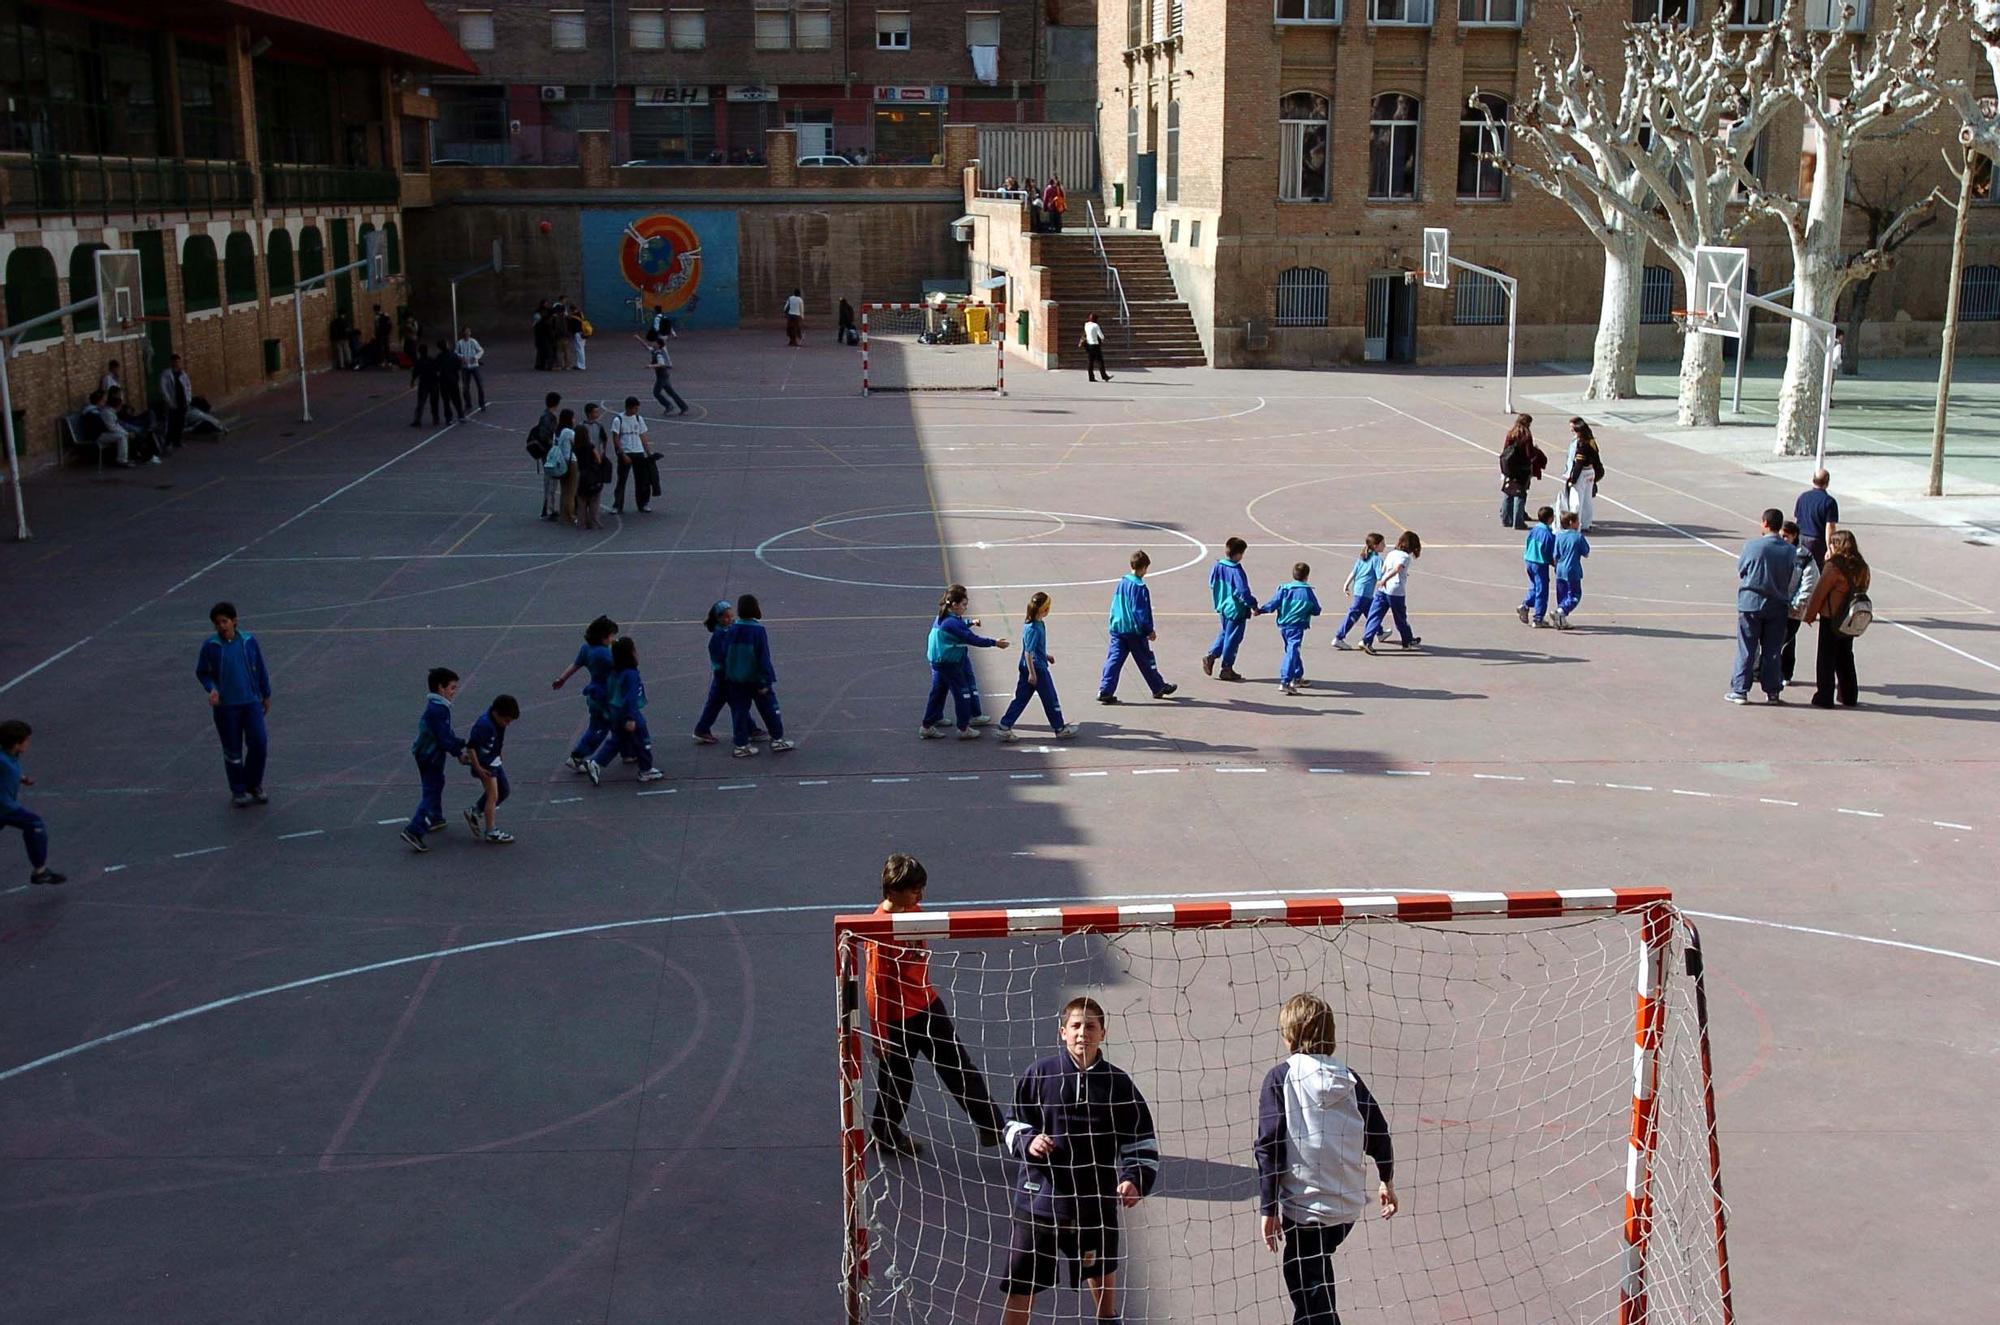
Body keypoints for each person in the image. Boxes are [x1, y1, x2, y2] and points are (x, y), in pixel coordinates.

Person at [998, 996, 1157, 1325]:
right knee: (1021, 1281)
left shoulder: (1118, 1085)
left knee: (1100, 1270)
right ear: (1062, 1032)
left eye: (1090, 1026)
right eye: (1075, 1026)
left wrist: (1134, 1178)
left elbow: (1140, 1139)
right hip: (1039, 1203)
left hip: (1094, 1204)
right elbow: (1012, 1123)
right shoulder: (1040, 1074)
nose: (1083, 1032)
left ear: (1103, 1032)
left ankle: (1107, 1318)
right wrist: (1029, 1141)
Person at [1252, 993, 1398, 1325]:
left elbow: (1269, 1145)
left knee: (1307, 1284)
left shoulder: (1281, 1078)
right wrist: (1385, 1180)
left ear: (1289, 1037)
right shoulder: (1349, 1078)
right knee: (1315, 1270)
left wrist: (1268, 1207)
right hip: (1345, 1208)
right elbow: (1378, 1131)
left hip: (1303, 1207)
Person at [865, 853, 1008, 1155]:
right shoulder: (880, 931)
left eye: (921, 888)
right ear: (892, 891)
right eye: (914, 889)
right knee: (898, 1084)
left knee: (958, 1067)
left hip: (928, 1005)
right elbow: (874, 987)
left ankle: (994, 1126)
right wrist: (879, 1032)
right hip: (898, 1020)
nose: (920, 895)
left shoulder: (915, 911)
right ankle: (884, 1130)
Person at [194, 601, 273, 808]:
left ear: (234, 621)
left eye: (225, 621)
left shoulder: (248, 641)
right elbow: (202, 672)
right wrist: (211, 689)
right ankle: (238, 789)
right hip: (227, 708)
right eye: (217, 623)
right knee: (233, 750)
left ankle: (253, 783)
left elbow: (261, 667)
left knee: (259, 743)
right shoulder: (211, 646)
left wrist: (265, 694)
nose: (222, 626)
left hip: (251, 702)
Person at [921, 586, 1010, 739]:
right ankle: (963, 728)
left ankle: (929, 723)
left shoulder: (944, 617)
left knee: (938, 692)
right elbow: (971, 638)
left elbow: (960, 627)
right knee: (963, 693)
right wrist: (994, 643)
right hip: (949, 663)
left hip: (938, 661)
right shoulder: (952, 623)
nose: (965, 607)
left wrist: (970, 622)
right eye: (963, 604)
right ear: (954, 605)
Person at [1728, 508, 1795, 706]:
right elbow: (1791, 574)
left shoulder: (1752, 545)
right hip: (1777, 604)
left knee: (1747, 647)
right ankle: (1772, 691)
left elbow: (1742, 569)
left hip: (1751, 602)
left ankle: (1740, 690)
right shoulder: (1789, 550)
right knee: (1772, 650)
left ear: (1765, 523)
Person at [401, 667, 470, 852]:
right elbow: (444, 737)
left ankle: (436, 817)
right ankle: (415, 830)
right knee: (432, 790)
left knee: (435, 784)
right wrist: (460, 749)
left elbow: (445, 734)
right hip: (431, 755)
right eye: (452, 688)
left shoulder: (437, 707)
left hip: (425, 753)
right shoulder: (439, 710)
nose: (454, 692)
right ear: (441, 688)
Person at [1803, 529, 1871, 709]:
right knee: (1845, 656)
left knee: (1826, 658)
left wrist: (1809, 615)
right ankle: (1849, 695)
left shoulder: (1834, 566)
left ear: (1836, 546)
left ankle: (1824, 696)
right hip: (1849, 617)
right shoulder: (1861, 565)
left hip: (1831, 617)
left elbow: (1820, 591)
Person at [997, 592, 1078, 741]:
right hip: (1036, 668)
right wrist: (1032, 674)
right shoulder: (1034, 628)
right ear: (1045, 610)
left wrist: (1045, 655)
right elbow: (1028, 652)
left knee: (1021, 698)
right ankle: (1059, 728)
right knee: (1050, 698)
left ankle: (1004, 726)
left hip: (1030, 665)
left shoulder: (1036, 624)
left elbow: (1034, 648)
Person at [1098, 551, 1176, 704]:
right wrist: (1149, 630)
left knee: (1114, 659)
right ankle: (1158, 686)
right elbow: (1140, 611)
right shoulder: (1139, 587)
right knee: (1146, 659)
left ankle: (1105, 689)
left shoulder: (1122, 582)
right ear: (1144, 568)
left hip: (1118, 628)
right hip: (1134, 631)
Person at [586, 637, 666, 784]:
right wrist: (630, 718)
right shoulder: (631, 674)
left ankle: (596, 762)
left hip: (615, 711)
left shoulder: (615, 671)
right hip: (629, 713)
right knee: (643, 740)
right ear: (631, 653)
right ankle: (646, 770)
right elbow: (630, 698)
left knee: (618, 739)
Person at [720, 594, 793, 756]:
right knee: (769, 709)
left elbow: (725, 652)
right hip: (755, 679)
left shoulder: (732, 629)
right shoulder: (757, 630)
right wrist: (765, 681)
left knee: (739, 711)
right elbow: (763, 657)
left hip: (736, 679)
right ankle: (777, 739)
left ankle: (741, 744)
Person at [0, 720, 64, 886]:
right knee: (35, 825)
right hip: (4, 808)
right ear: (16, 744)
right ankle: (40, 872)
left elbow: (11, 769)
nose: (29, 743)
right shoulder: (2, 760)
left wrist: (21, 778)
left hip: (5, 807)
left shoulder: (10, 755)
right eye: (26, 740)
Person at [555, 615, 620, 774]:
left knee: (601, 725)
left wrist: (562, 678)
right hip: (605, 696)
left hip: (593, 693)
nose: (613, 639)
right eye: (612, 636)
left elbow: (576, 664)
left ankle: (628, 750)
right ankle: (578, 756)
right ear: (604, 637)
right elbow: (619, 667)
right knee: (601, 728)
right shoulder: (604, 654)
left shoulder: (586, 649)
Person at [461, 694, 518, 844]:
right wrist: (478, 768)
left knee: (504, 791)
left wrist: (499, 753)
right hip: (485, 765)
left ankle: (476, 811)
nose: (507, 724)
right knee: (493, 795)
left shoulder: (498, 722)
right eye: (506, 720)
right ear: (496, 713)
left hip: (494, 760)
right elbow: (471, 747)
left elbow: (498, 740)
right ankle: (491, 830)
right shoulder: (484, 725)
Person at [1202, 538, 1260, 682]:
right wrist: (1253, 604)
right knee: (1233, 638)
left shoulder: (1218, 565)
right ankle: (1227, 668)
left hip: (1223, 605)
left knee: (1225, 632)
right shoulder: (1236, 571)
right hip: (1236, 609)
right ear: (1239, 554)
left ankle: (1212, 655)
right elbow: (1242, 592)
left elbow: (1211, 582)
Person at [1263, 563, 1324, 695]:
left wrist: (1260, 610)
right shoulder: (1307, 592)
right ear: (1307, 576)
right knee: (1292, 651)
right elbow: (1316, 610)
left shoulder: (1284, 589)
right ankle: (1285, 680)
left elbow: (1273, 604)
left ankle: (1297, 676)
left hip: (1283, 625)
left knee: (1292, 650)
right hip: (1297, 626)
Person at [1361, 530, 1422, 655]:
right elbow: (1398, 568)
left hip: (1383, 590)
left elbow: (1384, 568)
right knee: (1400, 617)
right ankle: (1407, 641)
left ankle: (1367, 640)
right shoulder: (1405, 557)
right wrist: (1386, 579)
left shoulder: (1392, 553)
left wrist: (1382, 579)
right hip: (1395, 591)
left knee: (1375, 615)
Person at [1781, 520, 1820, 688]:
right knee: (1769, 640)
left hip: (1792, 607)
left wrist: (1797, 604)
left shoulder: (1804, 556)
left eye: (1785, 536)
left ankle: (1786, 673)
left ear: (1794, 536)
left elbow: (1809, 583)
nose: (1782, 539)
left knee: (1788, 641)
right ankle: (1762, 671)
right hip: (1775, 604)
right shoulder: (1777, 551)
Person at [1332, 533, 1385, 651]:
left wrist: (1346, 584)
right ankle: (1339, 637)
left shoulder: (1363, 557)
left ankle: (1380, 632)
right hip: (1365, 592)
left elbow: (1354, 572)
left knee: (1372, 612)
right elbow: (1380, 576)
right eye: (1382, 543)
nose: (1385, 546)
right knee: (1354, 614)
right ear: (1376, 546)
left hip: (1359, 590)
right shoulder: (1377, 559)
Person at [1498, 413, 1545, 530]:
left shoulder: (1511, 433)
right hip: (1522, 468)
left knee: (1508, 492)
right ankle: (1518, 521)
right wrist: (1536, 451)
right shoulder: (1526, 436)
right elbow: (1529, 454)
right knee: (1520, 494)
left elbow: (1505, 450)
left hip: (1509, 467)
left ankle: (1505, 518)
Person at [610, 397, 655, 514]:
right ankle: (617, 505)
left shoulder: (639, 419)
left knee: (641, 480)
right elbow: (616, 438)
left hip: (638, 452)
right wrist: (622, 453)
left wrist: (648, 452)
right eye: (635, 408)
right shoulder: (618, 419)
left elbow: (643, 436)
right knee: (622, 480)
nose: (636, 410)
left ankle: (642, 503)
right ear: (629, 407)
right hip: (626, 452)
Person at [1562, 417, 1604, 533]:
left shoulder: (1582, 444)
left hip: (1582, 473)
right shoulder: (1591, 441)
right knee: (1587, 500)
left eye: (1574, 430)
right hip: (1590, 472)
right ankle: (1586, 523)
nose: (1572, 432)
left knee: (1576, 501)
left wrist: (1572, 479)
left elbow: (1579, 464)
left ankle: (1575, 524)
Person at [1518, 505, 1556, 629]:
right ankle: (1538, 618)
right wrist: (1553, 562)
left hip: (1529, 559)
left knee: (1534, 586)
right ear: (1550, 519)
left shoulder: (1534, 530)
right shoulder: (1548, 534)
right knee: (1542, 590)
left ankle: (1525, 605)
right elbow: (1548, 551)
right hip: (1539, 563)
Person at [575, 403, 611, 530]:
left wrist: (603, 452)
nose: (598, 414)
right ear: (589, 413)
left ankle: (583, 521)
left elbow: (604, 440)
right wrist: (600, 458)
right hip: (591, 463)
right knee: (593, 494)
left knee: (582, 495)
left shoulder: (597, 426)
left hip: (584, 464)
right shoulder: (581, 427)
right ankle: (592, 520)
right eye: (596, 412)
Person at [1552, 512, 1591, 631]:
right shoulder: (1578, 537)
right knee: (1575, 595)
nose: (1579, 523)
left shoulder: (1558, 535)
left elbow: (1555, 554)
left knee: (1562, 595)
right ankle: (1561, 611)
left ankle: (1561, 619)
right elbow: (1586, 553)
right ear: (1571, 523)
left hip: (1560, 569)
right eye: (1577, 521)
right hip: (1572, 569)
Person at [1793, 469, 1839, 567]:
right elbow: (1830, 527)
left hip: (1801, 538)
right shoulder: (1829, 502)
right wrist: (1830, 547)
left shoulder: (1802, 497)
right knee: (1816, 571)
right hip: (1817, 542)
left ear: (1813, 480)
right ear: (1827, 483)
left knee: (1799, 569)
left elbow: (1797, 520)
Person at [79, 390, 134, 467]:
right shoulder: (93, 412)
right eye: (103, 400)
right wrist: (125, 433)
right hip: (96, 436)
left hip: (101, 433)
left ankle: (123, 458)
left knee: (122, 434)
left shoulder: (97, 410)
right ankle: (122, 460)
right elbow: (107, 426)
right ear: (99, 401)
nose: (105, 402)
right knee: (121, 436)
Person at [543, 408, 579, 526]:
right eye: (573, 418)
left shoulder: (557, 432)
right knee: (571, 491)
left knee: (564, 490)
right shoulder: (569, 432)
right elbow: (577, 444)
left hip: (561, 463)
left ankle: (564, 515)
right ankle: (570, 515)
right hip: (570, 462)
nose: (574, 420)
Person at [642, 332, 690, 416]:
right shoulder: (655, 351)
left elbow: (662, 364)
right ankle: (683, 407)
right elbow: (646, 347)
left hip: (662, 376)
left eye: (655, 342)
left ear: (658, 345)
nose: (653, 343)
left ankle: (668, 405)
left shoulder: (658, 354)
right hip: (663, 376)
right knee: (671, 392)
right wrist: (638, 339)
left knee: (656, 392)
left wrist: (651, 366)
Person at [532, 391, 563, 521]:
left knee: (551, 481)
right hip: (549, 453)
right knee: (550, 481)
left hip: (548, 452)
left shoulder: (547, 416)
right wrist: (554, 445)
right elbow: (545, 436)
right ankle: (548, 509)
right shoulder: (548, 418)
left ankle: (549, 508)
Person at [158, 352, 193, 451]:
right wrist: (168, 400)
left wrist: (188, 398)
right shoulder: (166, 374)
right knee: (171, 423)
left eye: (178, 362)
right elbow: (163, 388)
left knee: (181, 422)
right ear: (171, 362)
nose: (177, 363)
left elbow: (188, 386)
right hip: (172, 402)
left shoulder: (183, 373)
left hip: (183, 401)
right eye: (175, 362)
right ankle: (168, 442)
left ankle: (177, 440)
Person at [409, 343, 442, 428]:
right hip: (434, 383)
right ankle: (435, 418)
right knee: (434, 402)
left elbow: (415, 373)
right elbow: (438, 369)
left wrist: (412, 381)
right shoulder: (431, 360)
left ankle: (417, 419)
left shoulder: (419, 362)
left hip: (424, 384)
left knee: (421, 402)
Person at [455, 326, 487, 411]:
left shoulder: (473, 341)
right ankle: (468, 404)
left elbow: (481, 350)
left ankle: (482, 403)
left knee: (480, 385)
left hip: (474, 366)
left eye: (468, 332)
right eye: (466, 332)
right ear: (463, 333)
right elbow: (456, 352)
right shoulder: (459, 343)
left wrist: (475, 357)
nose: (467, 333)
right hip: (465, 367)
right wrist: (461, 357)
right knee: (465, 387)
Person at [435, 338, 465, 422]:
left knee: (446, 400)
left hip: (443, 381)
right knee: (456, 399)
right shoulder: (453, 355)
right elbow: (459, 366)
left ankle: (448, 418)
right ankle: (460, 415)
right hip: (453, 379)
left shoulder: (439, 357)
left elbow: (436, 368)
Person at [1079, 311, 1112, 383]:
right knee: (1100, 361)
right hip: (1095, 345)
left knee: (1090, 362)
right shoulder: (1096, 326)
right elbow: (1101, 336)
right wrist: (1102, 339)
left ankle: (1091, 377)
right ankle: (1104, 376)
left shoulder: (1086, 325)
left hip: (1088, 345)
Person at [533, 300, 556, 371]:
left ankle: (542, 365)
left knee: (543, 351)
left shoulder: (545, 314)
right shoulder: (543, 320)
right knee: (546, 351)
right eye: (545, 303)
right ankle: (545, 365)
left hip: (543, 336)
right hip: (543, 337)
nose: (546, 305)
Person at [568, 303, 589, 370]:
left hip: (578, 334)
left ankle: (581, 365)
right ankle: (580, 364)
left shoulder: (573, 317)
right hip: (583, 333)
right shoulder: (581, 314)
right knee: (581, 349)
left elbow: (571, 327)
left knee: (579, 350)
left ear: (571, 310)